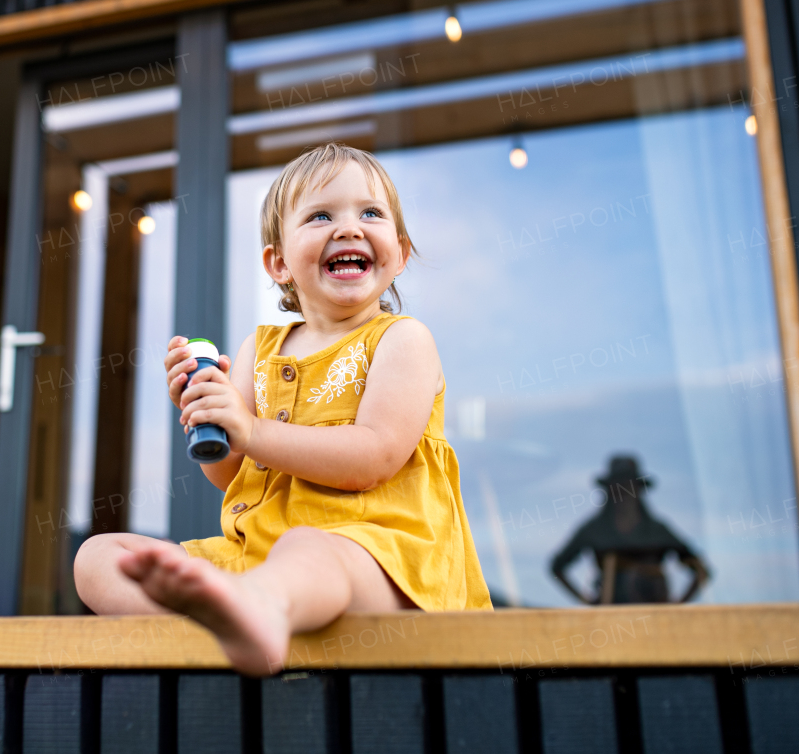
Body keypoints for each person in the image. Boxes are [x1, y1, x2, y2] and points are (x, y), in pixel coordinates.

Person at [74, 143, 492, 676]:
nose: (348, 228)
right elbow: (232, 475)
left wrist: (247, 427)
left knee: (309, 548)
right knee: (99, 557)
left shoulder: (403, 340)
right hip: (260, 560)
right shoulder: (260, 350)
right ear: (277, 262)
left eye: (370, 213)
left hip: (382, 559)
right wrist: (213, 417)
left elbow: (374, 457)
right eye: (321, 215)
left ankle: (255, 611)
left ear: (401, 252)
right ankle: (223, 619)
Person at [550, 455, 710, 604]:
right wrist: (587, 602)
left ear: (638, 489)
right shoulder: (595, 530)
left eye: (628, 486)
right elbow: (557, 567)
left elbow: (701, 570)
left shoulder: (657, 530)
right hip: (610, 621)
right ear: (609, 490)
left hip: (655, 619)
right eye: (618, 486)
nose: (624, 493)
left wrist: (678, 605)